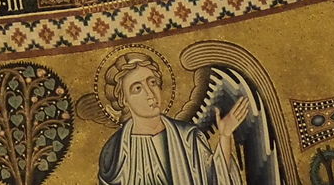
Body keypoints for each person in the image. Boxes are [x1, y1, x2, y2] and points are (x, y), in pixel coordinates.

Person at [96, 52, 250, 185]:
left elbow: (214, 177)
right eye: (138, 88)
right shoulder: (114, 153)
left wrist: (225, 135)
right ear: (124, 99)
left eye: (152, 82)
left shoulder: (187, 137)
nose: (150, 94)